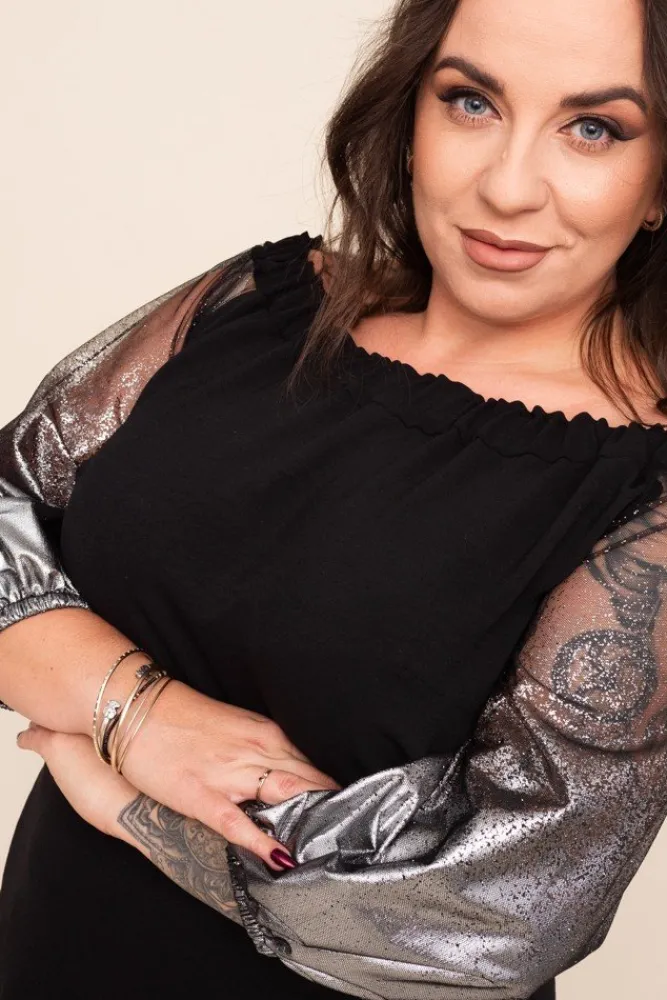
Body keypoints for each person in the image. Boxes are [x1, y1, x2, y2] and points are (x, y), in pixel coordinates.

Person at [2, 0, 667, 996]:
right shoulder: (252, 304)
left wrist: (133, 809)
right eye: (471, 102)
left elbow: (498, 910)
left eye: (594, 127)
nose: (506, 185)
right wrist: (139, 716)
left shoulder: (643, 498)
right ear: (410, 111)